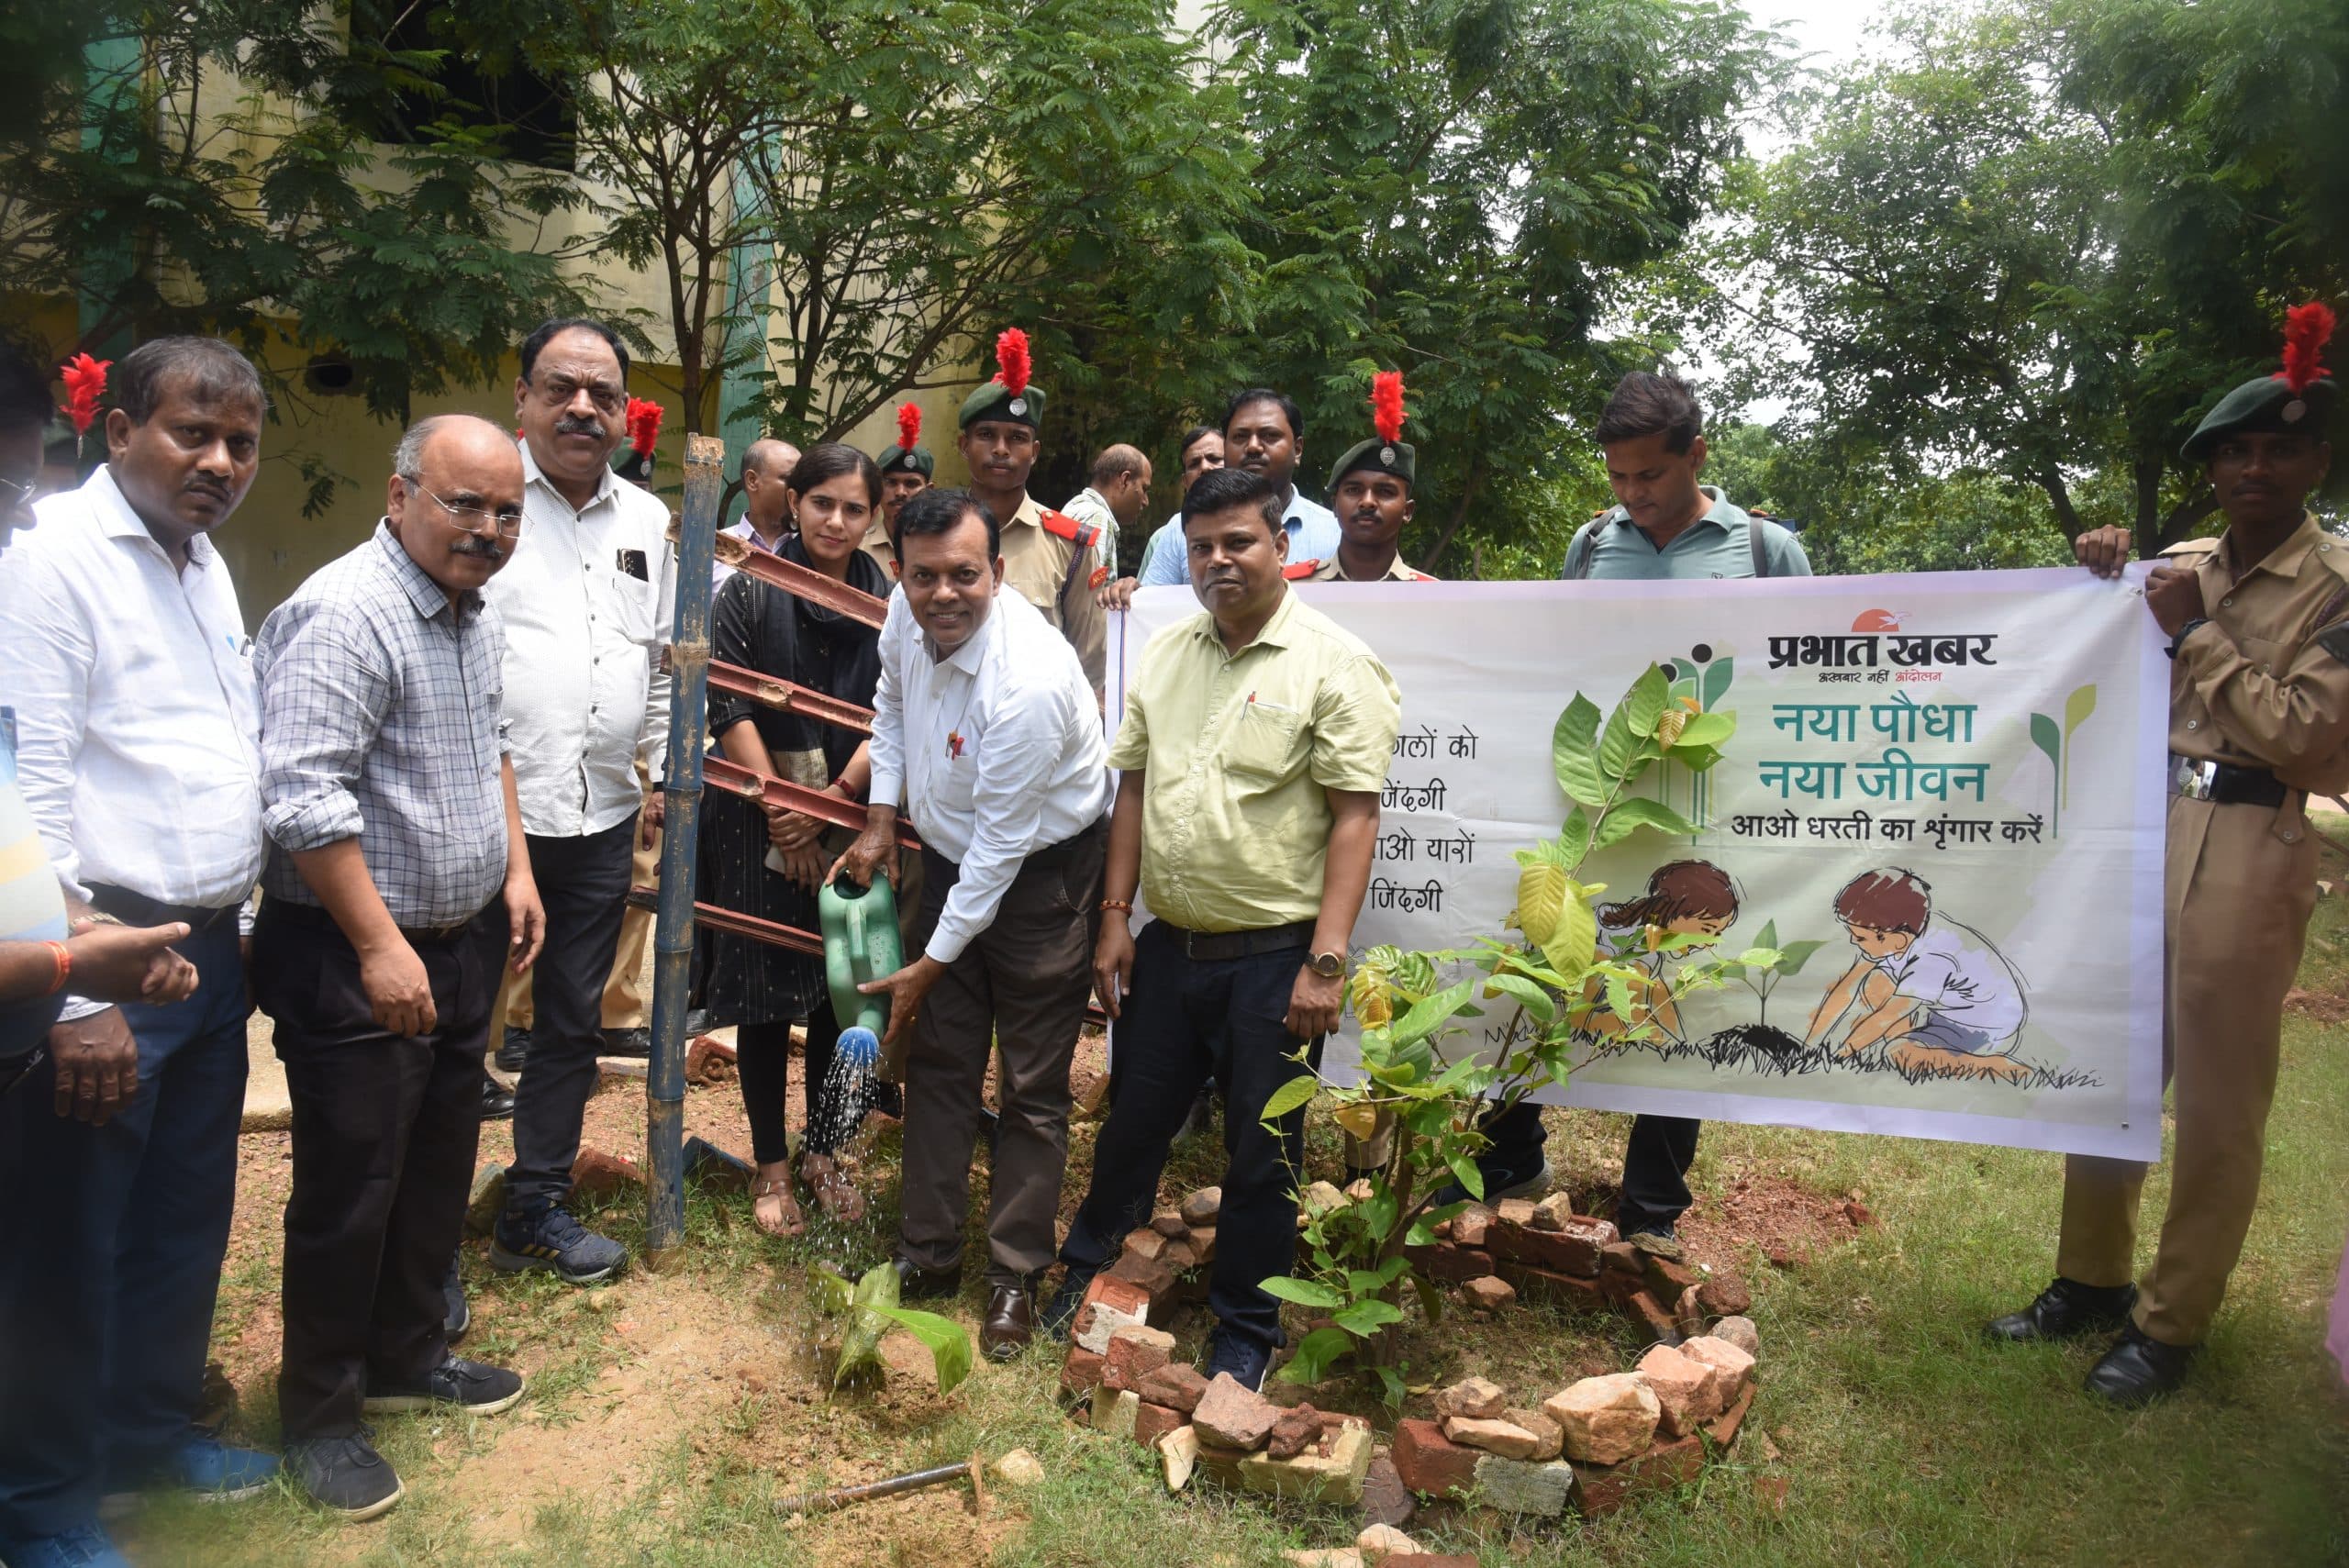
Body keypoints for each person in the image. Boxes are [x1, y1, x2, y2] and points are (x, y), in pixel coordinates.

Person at [1995, 303, 2343, 1406]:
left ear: (2314, 459)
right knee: (2109, 1065)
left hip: (2251, 838)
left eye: (2277, 446)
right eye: (2231, 450)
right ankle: (2088, 1278)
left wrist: (2192, 634)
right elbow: (2093, 636)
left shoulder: (2334, 584)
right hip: (2139, 831)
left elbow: (2306, 733)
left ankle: (2171, 1318)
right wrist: (2095, 564)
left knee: (2219, 1100)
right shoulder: (2179, 561)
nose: (2252, 465)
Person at [0, 337, 280, 1567]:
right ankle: (46, 1499)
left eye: (241, 442)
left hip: (209, 955)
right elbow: (26, 791)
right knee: (67, 1240)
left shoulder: (204, 564)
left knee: (183, 1217)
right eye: (192, 434)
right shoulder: (52, 563)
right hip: (102, 957)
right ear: (118, 431)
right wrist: (69, 994)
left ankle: (148, 1431)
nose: (220, 461)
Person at [1047, 465, 1402, 1390]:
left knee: (1261, 1151)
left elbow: (1355, 817)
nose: (1218, 561)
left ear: (1281, 545)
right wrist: (1116, 917)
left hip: (1275, 957)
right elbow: (1130, 789)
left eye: (1238, 541)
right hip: (1171, 944)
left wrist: (1325, 962)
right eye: (1201, 546)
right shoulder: (1166, 652)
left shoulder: (1334, 661)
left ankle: (1245, 1324)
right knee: (1132, 1126)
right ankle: (1087, 1268)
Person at [250, 416, 544, 1518]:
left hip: (460, 937)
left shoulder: (469, 609)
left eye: (505, 510)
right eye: (463, 503)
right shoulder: (347, 612)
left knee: (433, 1165)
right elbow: (304, 796)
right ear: (399, 495)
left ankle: (407, 1355)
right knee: (350, 1186)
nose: (487, 527)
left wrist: (514, 870)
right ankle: (319, 1416)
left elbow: (491, 743)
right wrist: (379, 943)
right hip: (355, 954)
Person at [1503, 368, 1813, 1239]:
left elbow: (1798, 666)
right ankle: (1516, 1154)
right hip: (1600, 799)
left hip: (1708, 806)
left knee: (1684, 978)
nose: (1634, 495)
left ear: (1697, 456)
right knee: (1556, 953)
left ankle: (1653, 1209)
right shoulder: (1591, 544)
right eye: (1619, 478)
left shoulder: (1762, 547)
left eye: (1651, 475)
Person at [831, 486, 1110, 1359]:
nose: (942, 594)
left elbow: (1001, 849)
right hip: (953, 860)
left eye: (964, 574)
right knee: (945, 1060)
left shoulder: (1027, 679)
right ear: (901, 573)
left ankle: (1013, 1275)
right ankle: (928, 1252)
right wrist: (882, 814)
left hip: (1041, 880)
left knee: (1031, 1081)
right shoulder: (902, 614)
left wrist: (932, 960)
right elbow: (891, 705)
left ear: (998, 571)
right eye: (923, 576)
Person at [482, 317, 676, 1286]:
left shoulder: (644, 520)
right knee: (452, 1024)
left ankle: (535, 1203)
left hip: (600, 816)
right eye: (560, 387)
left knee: (569, 1021)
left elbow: (664, 659)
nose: (582, 408)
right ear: (521, 399)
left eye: (602, 393)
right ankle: (425, 1227)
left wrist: (662, 767)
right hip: (482, 815)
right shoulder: (482, 501)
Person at [701, 443, 893, 1235]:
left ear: (872, 515)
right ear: (794, 501)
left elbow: (897, 713)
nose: (836, 521)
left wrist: (831, 806)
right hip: (753, 818)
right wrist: (783, 808)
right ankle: (771, 1165)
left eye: (854, 507)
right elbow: (728, 700)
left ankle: (822, 1151)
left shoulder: (894, 606)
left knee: (837, 991)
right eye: (822, 503)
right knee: (763, 998)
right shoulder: (749, 591)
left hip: (853, 820)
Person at [0, 341, 197, 1076]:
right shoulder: (52, 567)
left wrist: (80, 922)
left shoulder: (202, 566)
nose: (23, 522)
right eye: (9, 488)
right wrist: (69, 970)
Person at [956, 328, 1108, 694]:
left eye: (1017, 438)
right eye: (987, 435)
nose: (1002, 449)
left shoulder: (1070, 546)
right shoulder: (932, 534)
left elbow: (1089, 663)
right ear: (963, 445)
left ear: (1035, 452)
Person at [1803, 869, 2029, 1082]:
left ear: (1898, 939)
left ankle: (1998, 1067)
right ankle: (1912, 1045)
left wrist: (1839, 1055)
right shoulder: (1900, 930)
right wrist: (1810, 1046)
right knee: (1875, 985)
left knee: (1899, 1054)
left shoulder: (1934, 956)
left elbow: (1888, 1015)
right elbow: (1846, 988)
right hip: (1949, 1011)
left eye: (1860, 938)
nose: (1853, 941)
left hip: (1987, 1027)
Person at [1131, 391, 1341, 593]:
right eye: (1240, 437)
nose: (1253, 447)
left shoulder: (1335, 533)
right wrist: (1129, 596)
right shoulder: (1181, 529)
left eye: (1269, 436)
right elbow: (1151, 610)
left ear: (1297, 450)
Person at [1302, 371, 1434, 584]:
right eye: (1353, 490)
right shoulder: (1294, 590)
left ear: (1407, 511)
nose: (1367, 502)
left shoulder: (1434, 596)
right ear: (1334, 505)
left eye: (1386, 492)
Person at [1112, 424, 1225, 606]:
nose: (1204, 467)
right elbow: (1152, 605)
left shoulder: (1260, 514)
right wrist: (1131, 591)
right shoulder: (1176, 528)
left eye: (1214, 459)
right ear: (1185, 482)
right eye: (1194, 463)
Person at [712, 437, 802, 590]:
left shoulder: (810, 552)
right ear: (752, 480)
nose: (799, 489)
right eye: (789, 479)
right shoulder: (713, 552)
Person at [1061, 443, 1153, 581]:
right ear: (1125, 480)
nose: (1146, 501)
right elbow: (1089, 598)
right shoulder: (1097, 518)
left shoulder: (1076, 507)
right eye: (1144, 488)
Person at [865, 401, 933, 578]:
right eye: (891, 482)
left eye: (911, 484)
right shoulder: (858, 546)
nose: (901, 492)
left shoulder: (942, 545)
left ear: (929, 490)